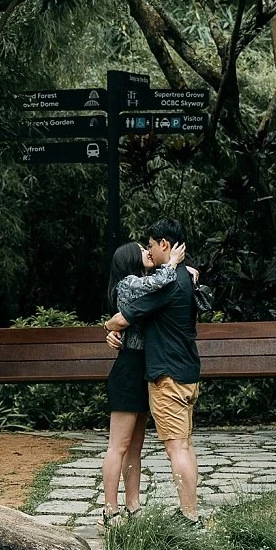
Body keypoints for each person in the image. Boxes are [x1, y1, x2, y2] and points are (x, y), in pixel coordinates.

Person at [104, 218, 204, 526]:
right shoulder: (136, 283)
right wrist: (178, 265)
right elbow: (145, 294)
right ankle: (112, 509)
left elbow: (156, 288)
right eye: (142, 250)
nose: (147, 251)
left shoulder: (169, 280)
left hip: (158, 371)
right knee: (124, 446)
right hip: (136, 370)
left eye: (149, 245)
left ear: (163, 244)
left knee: (162, 446)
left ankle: (177, 513)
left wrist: (178, 267)